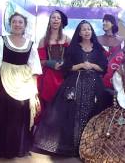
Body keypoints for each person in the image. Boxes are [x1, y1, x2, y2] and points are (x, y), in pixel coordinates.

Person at [34, 20, 108, 156]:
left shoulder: (98, 49)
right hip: (75, 84)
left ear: (92, 32)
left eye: (89, 29)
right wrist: (80, 65)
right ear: (79, 33)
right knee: (72, 114)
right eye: (83, 29)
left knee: (93, 113)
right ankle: (73, 147)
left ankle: (89, 147)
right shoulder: (73, 48)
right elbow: (67, 67)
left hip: (94, 86)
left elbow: (103, 67)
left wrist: (91, 65)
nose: (86, 32)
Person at [0, 12, 42, 158]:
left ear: (24, 25)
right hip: (3, 79)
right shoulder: (0, 40)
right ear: (10, 24)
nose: (17, 24)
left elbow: (34, 68)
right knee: (3, 113)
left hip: (24, 82)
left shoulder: (31, 44)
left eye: (20, 22)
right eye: (14, 21)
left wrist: (34, 91)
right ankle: (1, 149)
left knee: (20, 115)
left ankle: (18, 148)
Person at [37, 9, 71, 112]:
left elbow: (72, 59)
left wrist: (64, 64)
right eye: (53, 17)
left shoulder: (67, 39)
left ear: (61, 21)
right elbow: (40, 60)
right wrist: (51, 64)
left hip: (64, 76)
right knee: (47, 105)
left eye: (58, 18)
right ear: (50, 21)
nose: (56, 20)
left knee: (61, 106)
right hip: (48, 77)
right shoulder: (43, 40)